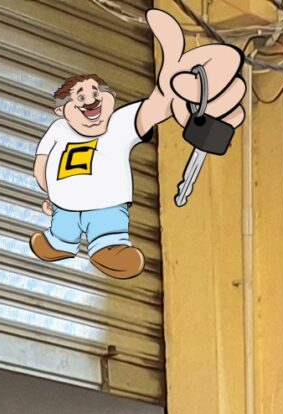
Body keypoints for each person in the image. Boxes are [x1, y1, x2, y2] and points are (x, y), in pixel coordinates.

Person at [31, 10, 247, 278]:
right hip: (64, 205)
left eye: (97, 92)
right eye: (81, 97)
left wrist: (168, 91)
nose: (91, 100)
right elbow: (42, 160)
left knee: (107, 231)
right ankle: (58, 244)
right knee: (63, 229)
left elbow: (152, 110)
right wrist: (49, 193)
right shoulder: (59, 130)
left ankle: (110, 250)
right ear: (61, 110)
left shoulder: (118, 125)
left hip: (107, 205)